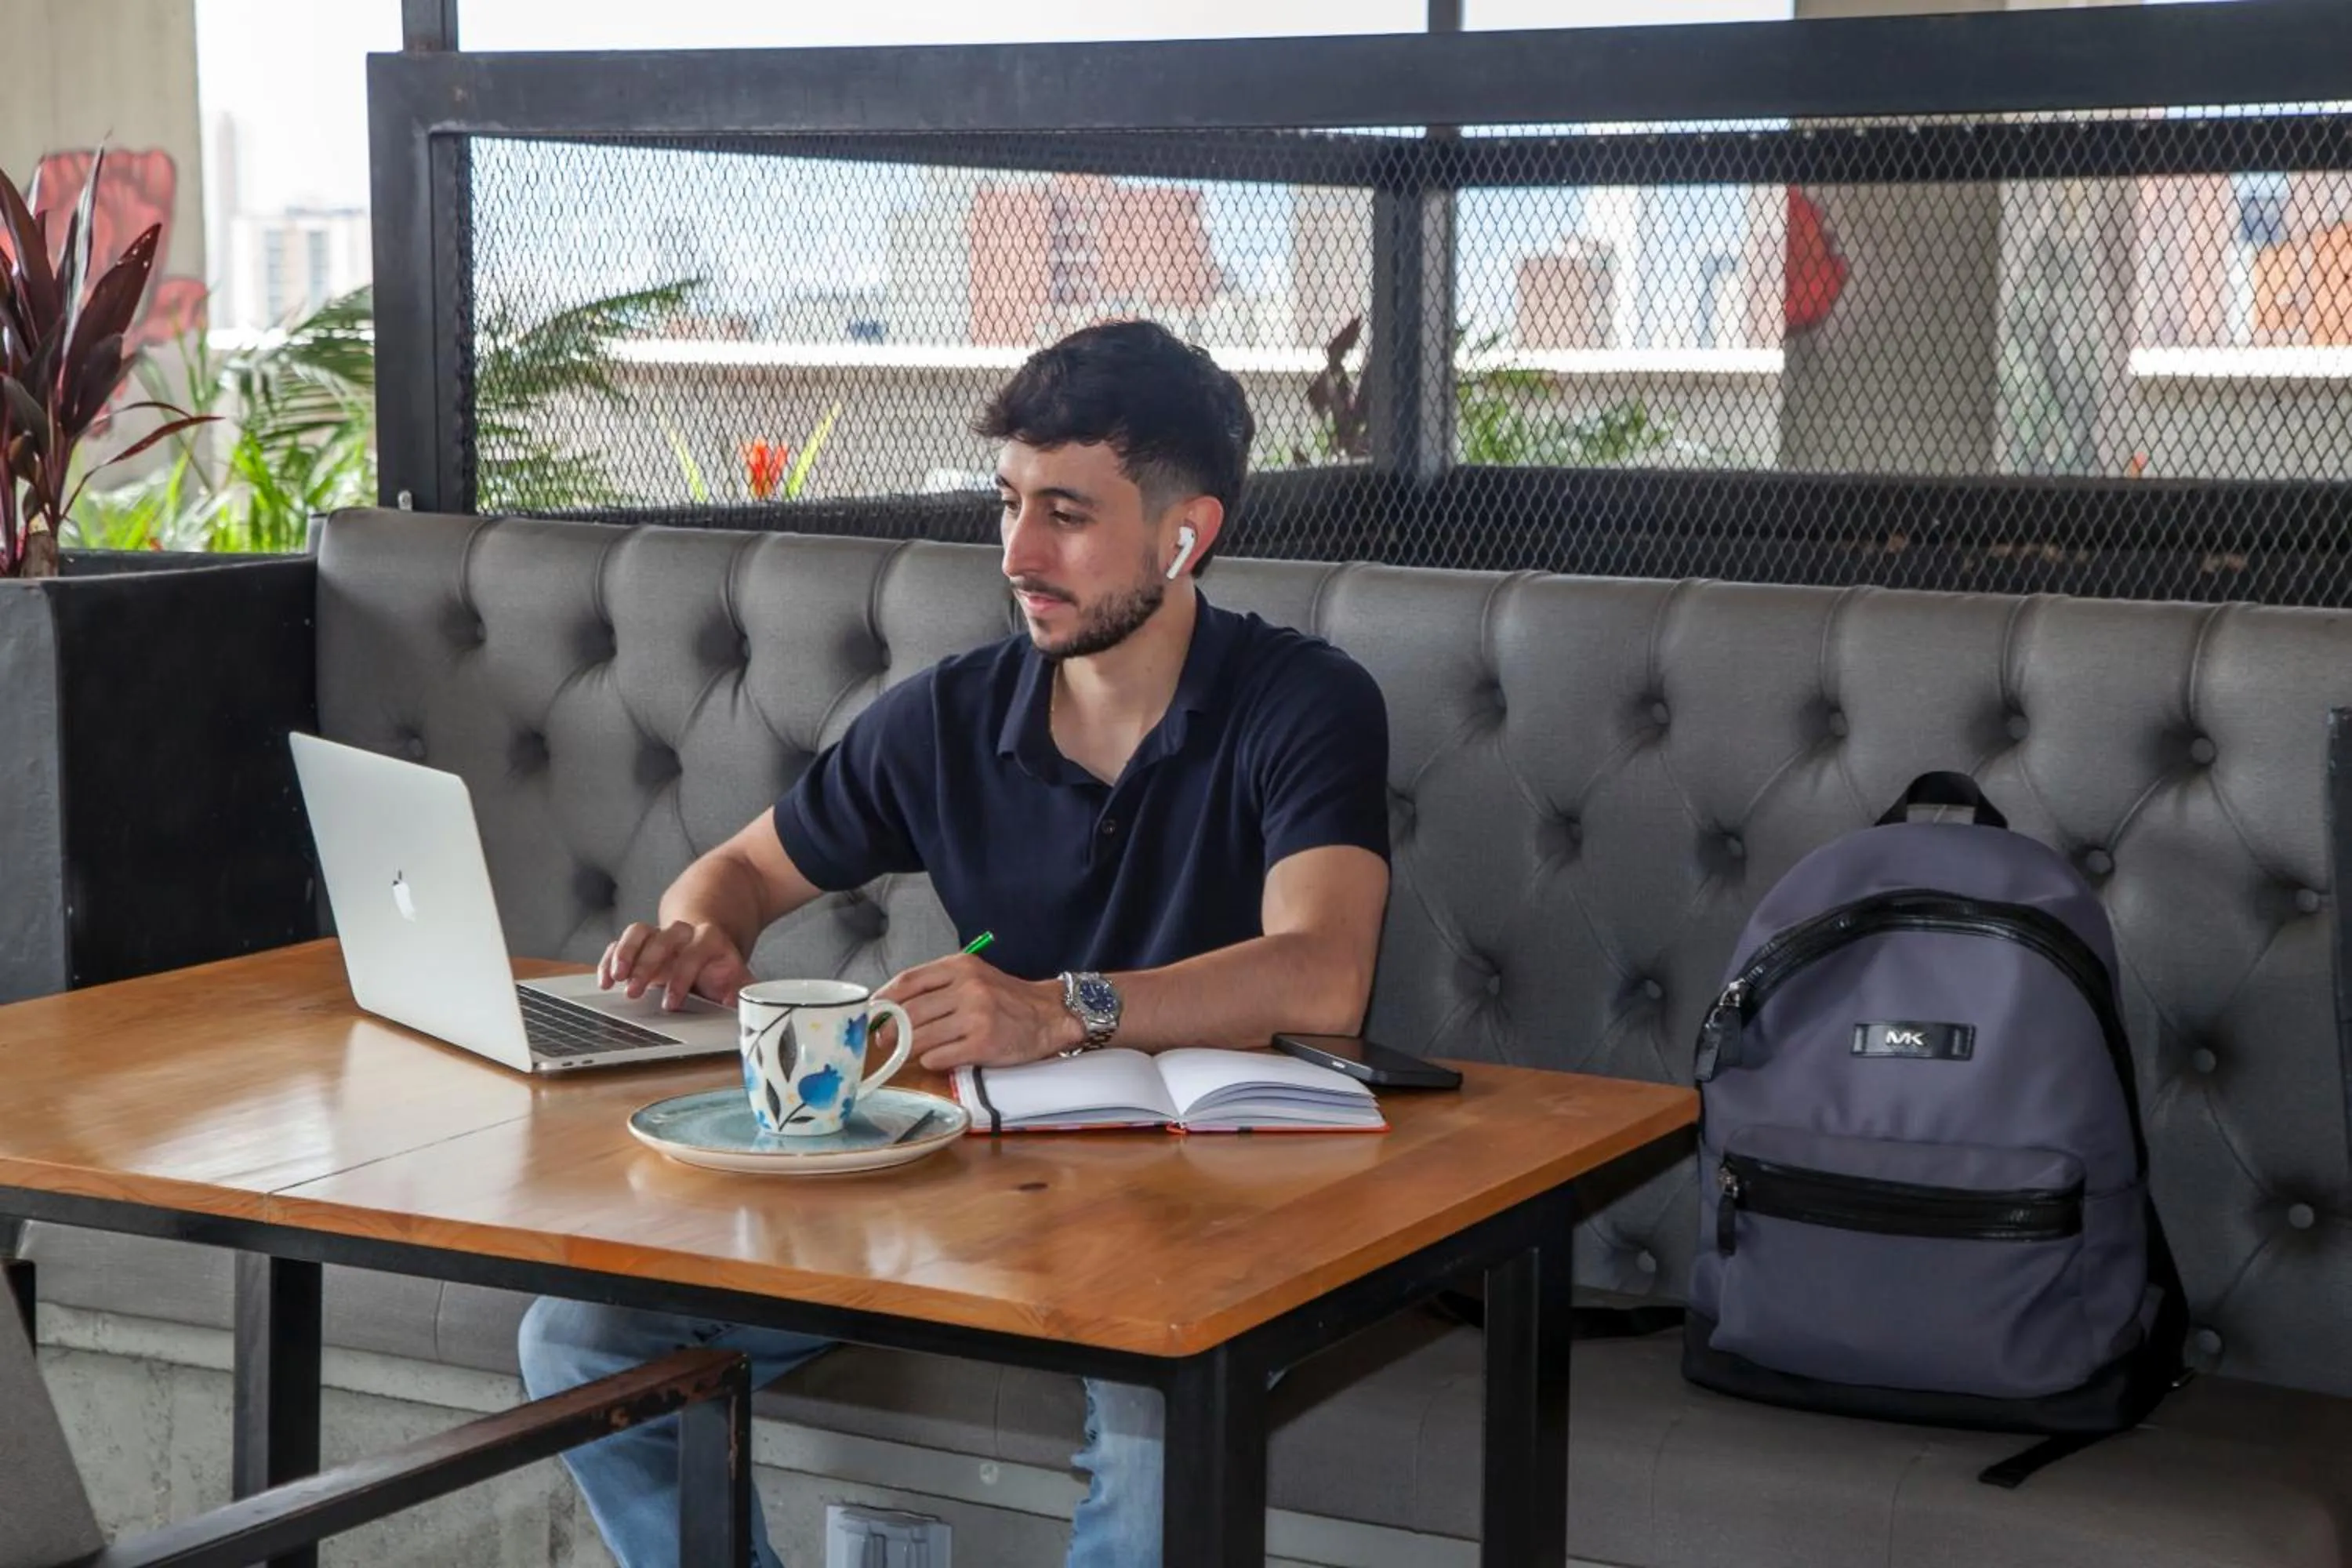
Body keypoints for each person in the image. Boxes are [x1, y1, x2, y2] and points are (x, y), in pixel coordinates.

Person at [517, 318, 1392, 1568]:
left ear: (1185, 533)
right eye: (1008, 504)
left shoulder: (1305, 702)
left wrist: (1055, 1009)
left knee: (1161, 1427)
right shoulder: (947, 714)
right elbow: (746, 870)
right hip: (981, 1191)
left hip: (1220, 1215)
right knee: (577, 1339)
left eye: (1068, 516)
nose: (1020, 554)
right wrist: (701, 931)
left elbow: (1326, 970)